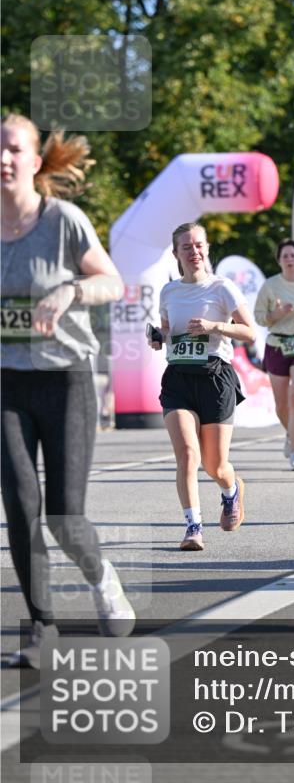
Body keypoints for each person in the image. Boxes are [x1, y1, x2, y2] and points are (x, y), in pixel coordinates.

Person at [1, 114, 135, 668]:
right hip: (7, 380)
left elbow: (114, 281)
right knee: (20, 505)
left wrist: (70, 294)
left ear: (35, 161)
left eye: (13, 150)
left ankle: (102, 577)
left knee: (64, 516)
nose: (3, 159)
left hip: (65, 376)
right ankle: (43, 629)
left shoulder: (63, 221)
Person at [148, 222, 254, 550]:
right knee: (187, 454)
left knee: (215, 466)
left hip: (215, 377)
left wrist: (215, 326)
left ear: (206, 248)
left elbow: (249, 332)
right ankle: (193, 526)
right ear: (176, 253)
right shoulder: (169, 292)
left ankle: (231, 490)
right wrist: (158, 337)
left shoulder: (222, 288)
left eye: (199, 246)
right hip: (179, 377)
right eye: (186, 247)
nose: (194, 252)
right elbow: (168, 333)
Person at [254, 240, 294, 471]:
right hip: (277, 344)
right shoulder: (270, 286)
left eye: (293, 255)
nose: (289, 259)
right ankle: (291, 434)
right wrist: (277, 314)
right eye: (285, 256)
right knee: (281, 404)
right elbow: (259, 317)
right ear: (279, 260)